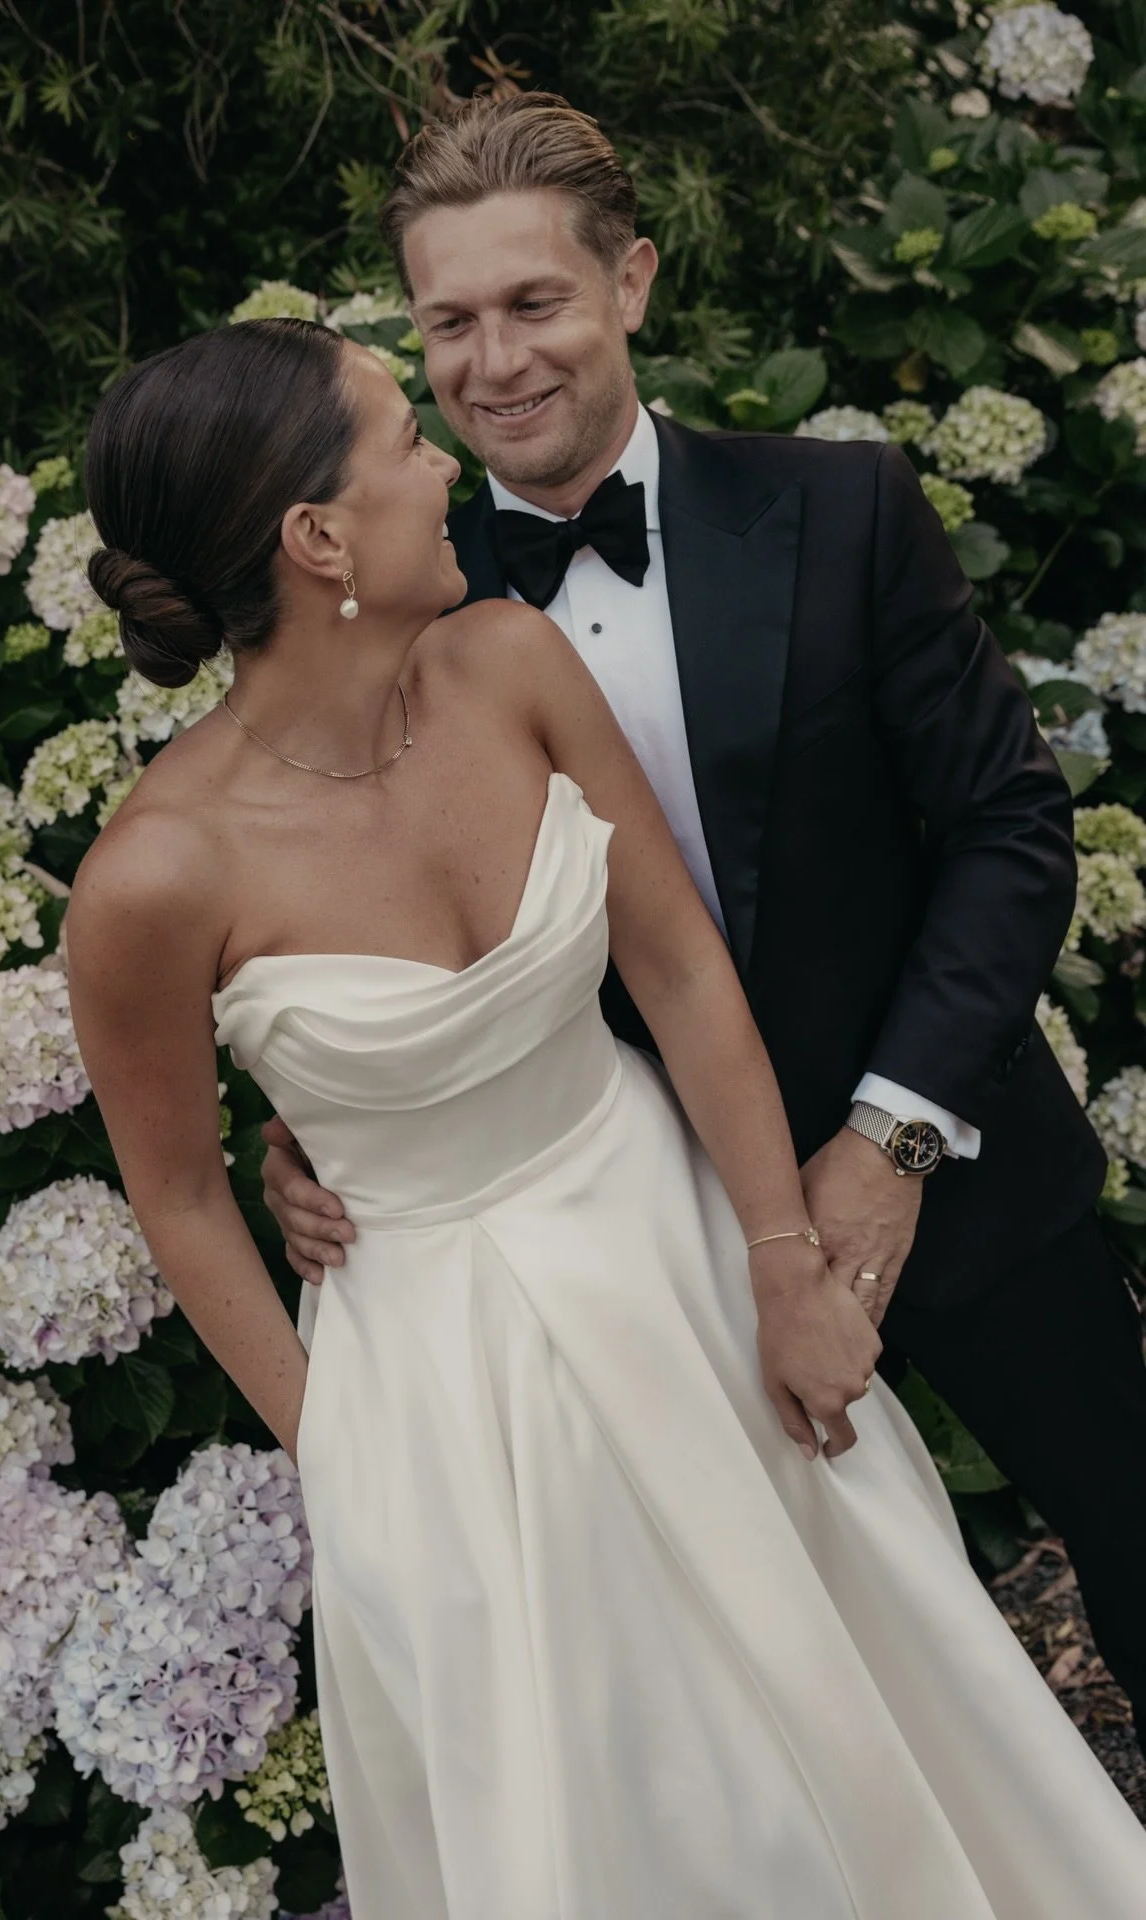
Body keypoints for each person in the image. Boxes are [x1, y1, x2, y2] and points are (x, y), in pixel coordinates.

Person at [64, 310, 1146, 1916]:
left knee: (862, 1722)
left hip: (684, 1267)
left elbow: (686, 969)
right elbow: (178, 1196)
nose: (450, 459)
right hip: (442, 1400)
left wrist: (782, 1263)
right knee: (618, 1810)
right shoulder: (150, 878)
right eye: (404, 440)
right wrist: (345, 1452)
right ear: (316, 537)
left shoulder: (508, 660)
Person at [263, 90, 1146, 1754]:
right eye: (449, 321)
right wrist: (320, 1121)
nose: (494, 361)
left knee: (1133, 1531)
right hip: (638, 1241)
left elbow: (1011, 832)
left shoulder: (845, 509)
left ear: (633, 286)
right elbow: (338, 890)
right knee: (774, 1674)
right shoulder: (390, 602)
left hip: (953, 1165)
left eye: (535, 302)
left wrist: (888, 1145)